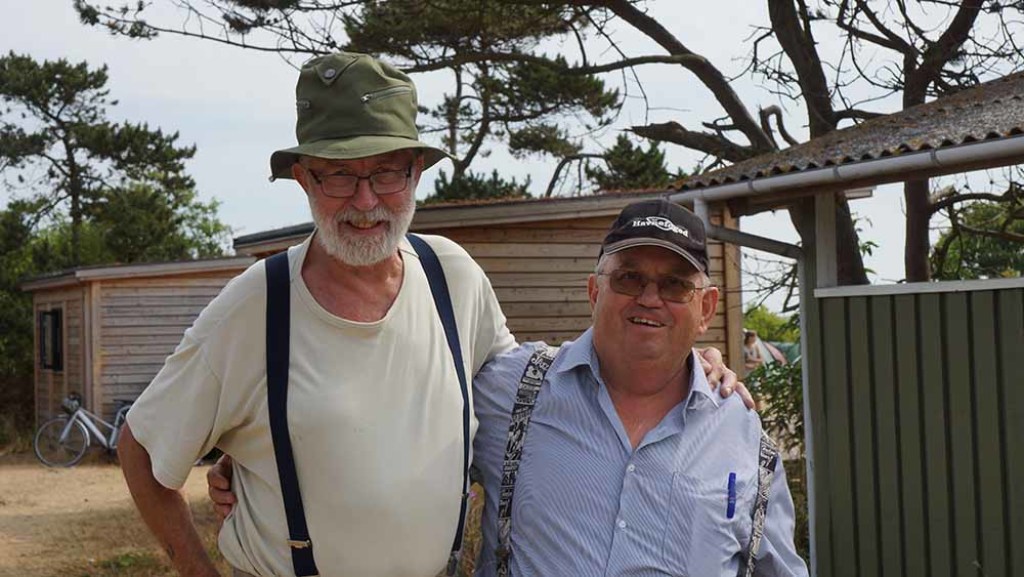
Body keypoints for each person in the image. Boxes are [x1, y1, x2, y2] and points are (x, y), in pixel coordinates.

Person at [119, 51, 744, 577]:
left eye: (386, 172)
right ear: (305, 179)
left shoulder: (452, 276)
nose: (366, 201)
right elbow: (141, 449)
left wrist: (677, 362)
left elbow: (532, 394)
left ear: (416, 171)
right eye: (339, 176)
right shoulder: (257, 306)